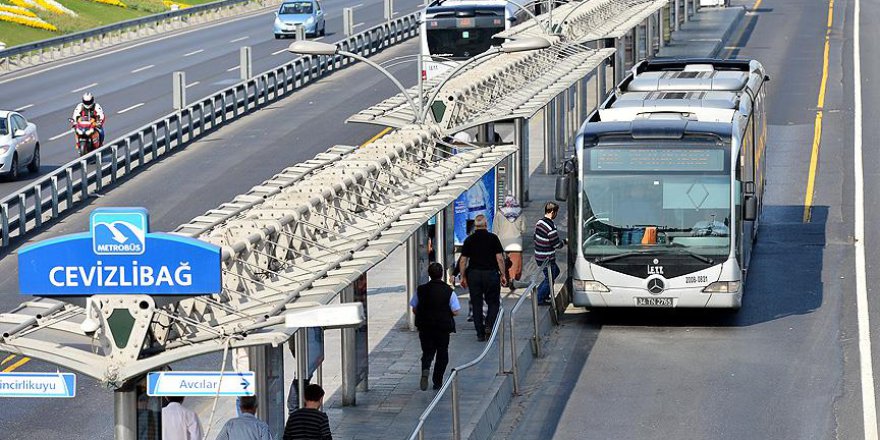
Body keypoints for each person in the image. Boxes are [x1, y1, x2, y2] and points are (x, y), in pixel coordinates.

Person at [410, 262, 461, 391]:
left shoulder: (421, 290)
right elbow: (456, 311)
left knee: (427, 351)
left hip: (425, 326)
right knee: (442, 353)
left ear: (429, 274)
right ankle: (437, 381)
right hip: (442, 327)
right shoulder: (449, 291)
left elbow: (414, 308)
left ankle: (426, 368)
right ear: (442, 274)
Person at [459, 214, 507, 341]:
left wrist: (462, 276)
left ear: (475, 226)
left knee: (476, 304)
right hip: (490, 274)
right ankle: (489, 325)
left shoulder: (469, 240)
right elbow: (500, 258)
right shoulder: (493, 238)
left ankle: (480, 333)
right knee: (493, 302)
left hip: (474, 274)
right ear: (486, 225)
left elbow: (463, 260)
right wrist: (503, 274)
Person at [534, 202, 565, 305]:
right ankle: (539, 297)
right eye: (556, 212)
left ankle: (543, 293)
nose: (556, 214)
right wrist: (565, 242)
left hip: (539, 255)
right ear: (552, 212)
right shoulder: (550, 227)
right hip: (547, 258)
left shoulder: (539, 222)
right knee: (550, 277)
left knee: (555, 272)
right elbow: (556, 245)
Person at [493, 195, 525, 290]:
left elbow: (495, 230)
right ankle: (513, 280)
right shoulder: (520, 212)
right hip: (516, 242)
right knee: (514, 263)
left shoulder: (499, 213)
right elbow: (523, 229)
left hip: (502, 242)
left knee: (503, 261)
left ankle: (504, 280)